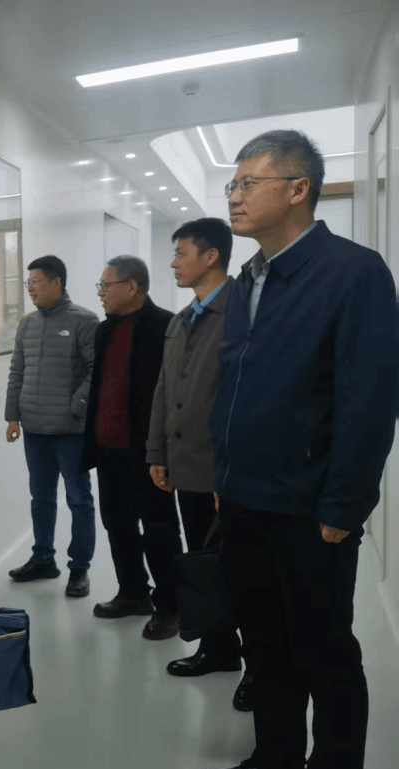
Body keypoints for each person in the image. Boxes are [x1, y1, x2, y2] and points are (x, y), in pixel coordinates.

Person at [202, 130, 397, 769]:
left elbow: (369, 401)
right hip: (244, 499)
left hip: (310, 508)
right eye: (231, 184)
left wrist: (344, 506)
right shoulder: (247, 280)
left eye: (247, 183)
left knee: (325, 652)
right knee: (264, 645)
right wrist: (224, 478)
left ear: (297, 189)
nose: (234, 196)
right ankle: (278, 763)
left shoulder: (354, 272)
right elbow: (234, 389)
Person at [146, 218, 253, 712]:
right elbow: (164, 390)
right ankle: (219, 648)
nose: (173, 263)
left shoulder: (242, 312)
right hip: (187, 466)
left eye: (181, 253)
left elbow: (245, 397)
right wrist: (157, 452)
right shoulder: (180, 320)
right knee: (204, 565)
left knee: (244, 570)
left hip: (226, 473)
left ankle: (260, 667)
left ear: (211, 257)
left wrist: (231, 469)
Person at [82, 255, 182, 640]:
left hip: (148, 452)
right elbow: (100, 387)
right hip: (109, 449)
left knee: (159, 530)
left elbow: (172, 394)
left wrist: (164, 451)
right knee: (118, 524)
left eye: (106, 285)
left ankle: (171, 605)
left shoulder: (166, 326)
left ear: (132, 287)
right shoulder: (104, 330)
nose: (101, 293)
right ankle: (133, 592)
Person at [4, 255, 99, 597]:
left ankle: (80, 568)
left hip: (70, 432)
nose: (30, 289)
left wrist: (77, 405)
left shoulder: (84, 320)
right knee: (41, 497)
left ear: (57, 282)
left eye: (36, 282)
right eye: (28, 283)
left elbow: (97, 370)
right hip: (34, 429)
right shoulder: (27, 324)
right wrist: (12, 416)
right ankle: (43, 559)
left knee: (78, 499)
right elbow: (17, 371)